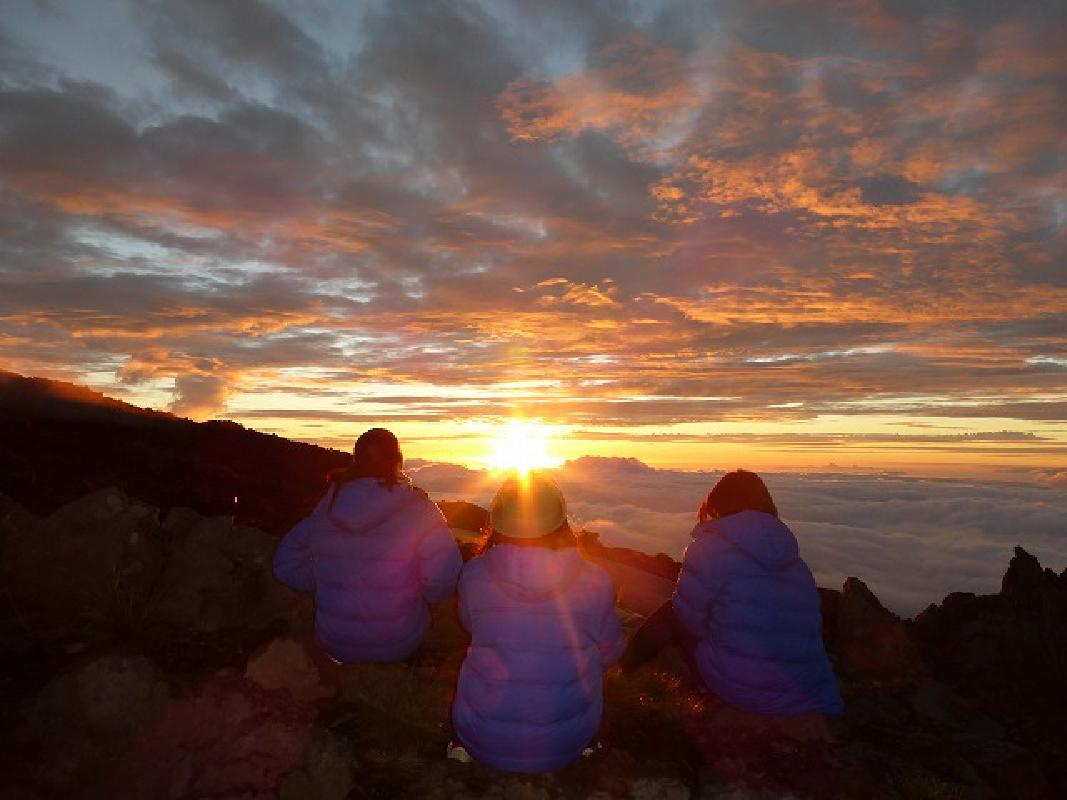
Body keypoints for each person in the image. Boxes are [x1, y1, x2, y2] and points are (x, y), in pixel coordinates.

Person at [620, 469, 842, 716]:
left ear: (718, 503)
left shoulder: (708, 550)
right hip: (807, 690)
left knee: (670, 614)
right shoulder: (793, 560)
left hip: (745, 688)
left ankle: (622, 670)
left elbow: (688, 619)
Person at [450, 471, 624, 772]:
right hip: (565, 744)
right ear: (561, 523)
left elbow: (471, 625)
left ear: (499, 524)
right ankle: (588, 746)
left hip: (483, 740)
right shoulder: (595, 581)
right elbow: (611, 652)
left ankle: (460, 748)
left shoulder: (474, 574)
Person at [272, 428, 463, 663]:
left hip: (335, 642)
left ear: (357, 459)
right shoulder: (419, 508)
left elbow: (284, 564)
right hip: (398, 643)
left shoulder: (328, 507)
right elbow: (442, 579)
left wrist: (325, 580)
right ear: (398, 461)